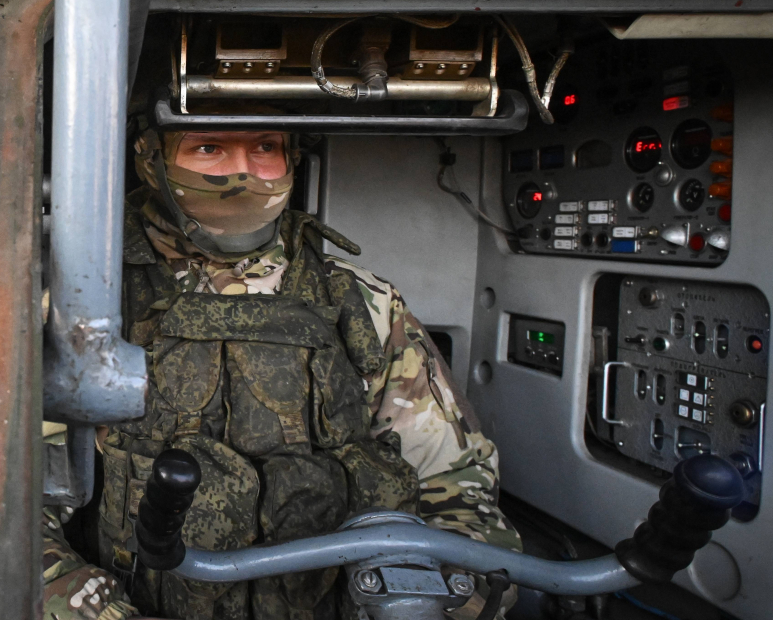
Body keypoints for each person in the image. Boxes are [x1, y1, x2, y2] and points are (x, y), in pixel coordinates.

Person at [42, 120, 521, 620]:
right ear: (151, 160)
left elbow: (456, 489)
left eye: (265, 146)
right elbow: (14, 508)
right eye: (209, 147)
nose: (243, 172)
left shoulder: (363, 303)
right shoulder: (86, 306)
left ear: (291, 157)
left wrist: (435, 602)